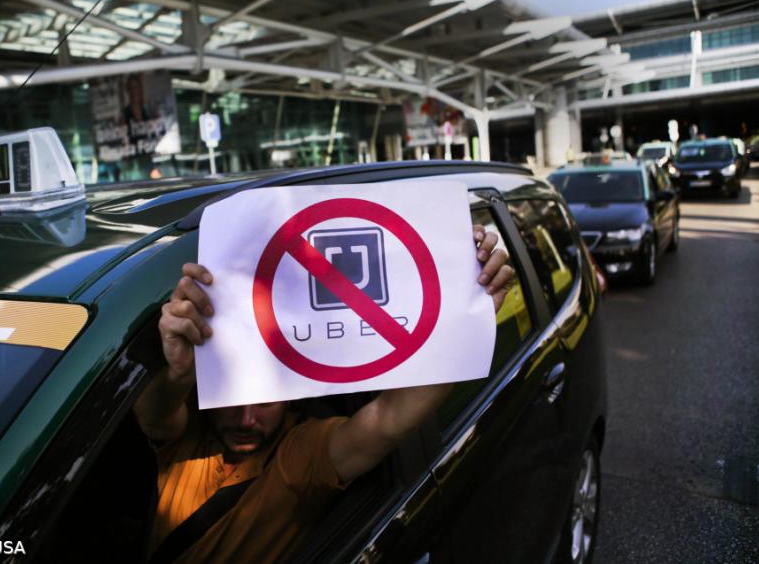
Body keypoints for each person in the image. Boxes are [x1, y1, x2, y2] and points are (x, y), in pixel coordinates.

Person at [133, 226, 515, 564]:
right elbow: (154, 414)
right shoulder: (191, 439)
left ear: (289, 398)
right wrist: (180, 372)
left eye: (265, 402)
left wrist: (465, 321)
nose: (247, 419)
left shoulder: (299, 455)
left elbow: (386, 420)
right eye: (234, 402)